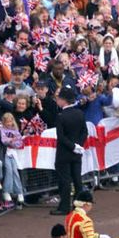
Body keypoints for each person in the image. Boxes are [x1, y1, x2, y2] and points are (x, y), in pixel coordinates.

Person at [52, 85, 88, 215]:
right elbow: (85, 132)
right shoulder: (79, 113)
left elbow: (61, 137)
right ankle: (78, 206)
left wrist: (73, 146)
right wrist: (78, 145)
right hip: (76, 153)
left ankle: (64, 207)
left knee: (65, 181)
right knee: (77, 180)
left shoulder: (61, 116)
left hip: (64, 153)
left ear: (63, 100)